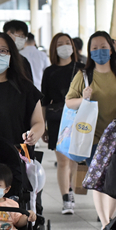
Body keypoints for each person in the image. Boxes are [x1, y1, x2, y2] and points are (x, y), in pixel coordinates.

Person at [65, 31, 116, 230]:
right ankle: (106, 224)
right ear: (89, 52)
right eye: (95, 48)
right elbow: (69, 102)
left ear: (112, 48)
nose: (100, 52)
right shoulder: (84, 75)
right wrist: (83, 98)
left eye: (103, 47)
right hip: (93, 137)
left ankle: (110, 219)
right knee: (99, 180)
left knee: (115, 179)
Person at [41, 33, 81, 215]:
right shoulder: (49, 72)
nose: (65, 46)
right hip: (58, 120)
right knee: (63, 160)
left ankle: (71, 189)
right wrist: (43, 125)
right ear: (54, 49)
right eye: (60, 44)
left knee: (74, 159)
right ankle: (66, 197)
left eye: (67, 43)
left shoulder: (82, 69)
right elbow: (44, 101)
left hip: (80, 119)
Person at [4, 21, 49, 91]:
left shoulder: (22, 60)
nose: (22, 40)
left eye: (24, 37)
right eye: (20, 36)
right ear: (9, 34)